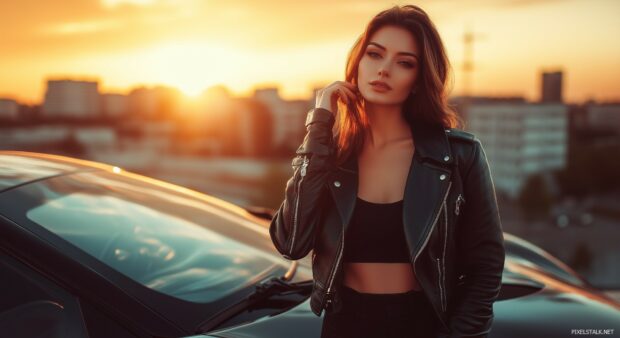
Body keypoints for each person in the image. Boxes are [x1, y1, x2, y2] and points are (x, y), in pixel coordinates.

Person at [269, 4, 505, 338]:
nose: (384, 70)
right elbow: (290, 242)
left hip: (422, 323)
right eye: (375, 54)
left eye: (404, 62)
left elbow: (486, 268)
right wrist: (319, 125)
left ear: (419, 80)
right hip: (344, 324)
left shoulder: (459, 157)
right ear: (357, 63)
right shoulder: (331, 156)